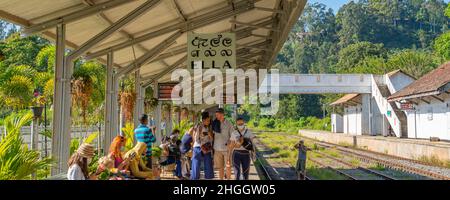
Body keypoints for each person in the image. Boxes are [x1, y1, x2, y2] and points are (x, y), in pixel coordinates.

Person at [191, 111, 214, 180]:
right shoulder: (198, 126)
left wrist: (210, 135)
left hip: (207, 147)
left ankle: (208, 178)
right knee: (196, 164)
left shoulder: (209, 127)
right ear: (203, 120)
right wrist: (202, 147)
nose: (209, 122)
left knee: (208, 163)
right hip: (198, 147)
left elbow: (212, 139)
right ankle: (195, 178)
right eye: (207, 120)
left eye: (209, 120)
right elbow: (196, 138)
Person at [213, 108, 233, 180]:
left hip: (226, 149)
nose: (217, 116)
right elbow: (212, 135)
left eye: (218, 115)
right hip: (217, 149)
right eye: (216, 115)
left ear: (222, 114)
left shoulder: (229, 124)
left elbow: (232, 136)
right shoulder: (214, 123)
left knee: (228, 166)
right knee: (220, 167)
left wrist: (230, 141)